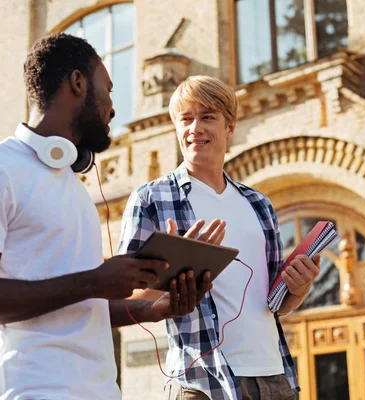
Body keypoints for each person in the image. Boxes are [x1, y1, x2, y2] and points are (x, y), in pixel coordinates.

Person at [0, 33, 215, 400]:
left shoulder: (73, 186)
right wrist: (93, 281)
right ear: (78, 83)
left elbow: (82, 307)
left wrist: (154, 308)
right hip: (31, 392)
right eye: (109, 89)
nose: (113, 108)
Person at [118, 76, 321, 400]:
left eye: (207, 117)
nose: (194, 128)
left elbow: (275, 305)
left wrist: (298, 290)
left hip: (274, 378)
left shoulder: (259, 204)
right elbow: (123, 293)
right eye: (185, 119)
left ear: (230, 127)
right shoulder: (151, 198)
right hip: (202, 382)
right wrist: (177, 266)